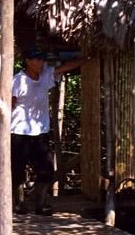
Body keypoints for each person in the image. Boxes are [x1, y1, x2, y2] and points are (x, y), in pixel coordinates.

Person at [11, 47, 85, 215]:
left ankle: (40, 202)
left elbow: (65, 68)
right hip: (18, 131)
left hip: (40, 131)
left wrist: (85, 59)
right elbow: (9, 104)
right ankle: (18, 203)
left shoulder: (45, 75)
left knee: (46, 170)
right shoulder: (17, 81)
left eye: (42, 59)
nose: (41, 63)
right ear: (28, 61)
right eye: (37, 59)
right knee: (17, 169)